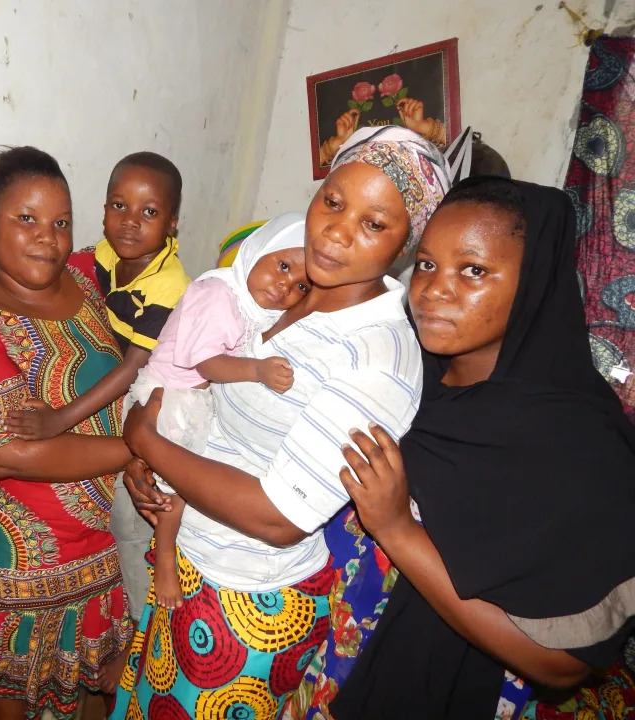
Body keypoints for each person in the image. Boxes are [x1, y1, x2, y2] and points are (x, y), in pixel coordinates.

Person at [113, 126, 450, 719]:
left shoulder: (376, 357)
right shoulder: (295, 288)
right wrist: (156, 470)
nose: (337, 232)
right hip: (186, 558)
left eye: (374, 224)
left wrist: (145, 440)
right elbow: (213, 392)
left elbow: (278, 518)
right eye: (334, 201)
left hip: (246, 597)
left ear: (406, 242)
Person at [329, 177, 635, 719]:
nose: (433, 290)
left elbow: (561, 664)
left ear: (535, 283)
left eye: (473, 270)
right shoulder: (408, 372)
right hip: (332, 656)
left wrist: (398, 529)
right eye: (425, 264)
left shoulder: (577, 445)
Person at [0, 146, 134, 720]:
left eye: (61, 222)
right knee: (12, 702)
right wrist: (143, 450)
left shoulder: (89, 280)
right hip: (24, 569)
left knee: (99, 695)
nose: (48, 238)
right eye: (27, 219)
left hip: (106, 544)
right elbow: (7, 455)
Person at [4, 151, 190, 668]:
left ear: (173, 222)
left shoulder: (168, 286)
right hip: (123, 384)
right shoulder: (103, 254)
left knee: (133, 523)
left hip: (161, 396)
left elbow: (133, 367)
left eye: (149, 213)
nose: (130, 221)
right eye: (119, 205)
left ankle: (140, 631)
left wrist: (60, 419)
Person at [126, 222, 312, 611]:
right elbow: (208, 363)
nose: (286, 286)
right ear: (256, 250)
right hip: (169, 396)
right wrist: (258, 371)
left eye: (300, 286)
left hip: (194, 399)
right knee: (177, 487)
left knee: (187, 481)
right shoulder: (218, 295)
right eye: (282, 265)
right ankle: (164, 559)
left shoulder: (252, 304)